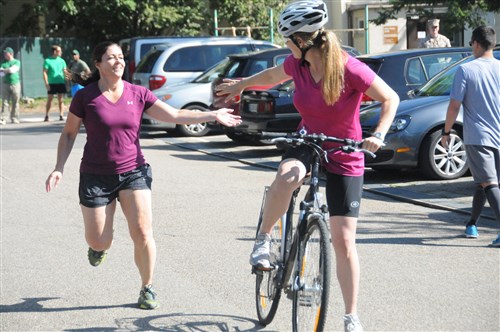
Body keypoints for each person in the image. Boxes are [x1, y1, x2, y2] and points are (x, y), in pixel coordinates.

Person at [216, 1, 399, 331]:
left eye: (287, 39)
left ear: (301, 42)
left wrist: (379, 135)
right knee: (288, 176)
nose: (286, 44)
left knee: (344, 241)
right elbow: (271, 76)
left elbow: (390, 98)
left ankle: (351, 315)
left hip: (346, 151)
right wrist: (241, 85)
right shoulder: (297, 65)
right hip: (309, 140)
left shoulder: (348, 68)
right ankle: (264, 239)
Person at [44, 41, 241, 310]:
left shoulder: (138, 93)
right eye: (110, 58)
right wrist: (59, 167)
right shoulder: (85, 97)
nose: (118, 61)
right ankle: (99, 247)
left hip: (133, 171)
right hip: (95, 175)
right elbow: (69, 134)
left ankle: (147, 287)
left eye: (120, 57)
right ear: (98, 64)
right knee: (99, 238)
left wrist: (211, 114)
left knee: (143, 232)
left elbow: (174, 114)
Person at [441, 25, 500, 246]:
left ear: (476, 43)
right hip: (496, 135)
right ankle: (472, 223)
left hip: (479, 137)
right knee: (483, 183)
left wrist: (446, 132)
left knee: (489, 183)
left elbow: (454, 106)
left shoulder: (466, 70)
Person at [43, 45, 67, 122]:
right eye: (59, 51)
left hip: (61, 82)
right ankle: (47, 115)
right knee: (50, 99)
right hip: (52, 83)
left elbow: (65, 72)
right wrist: (47, 83)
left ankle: (61, 115)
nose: (61, 52)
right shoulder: (47, 61)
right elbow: (44, 72)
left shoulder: (62, 61)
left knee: (61, 99)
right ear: (54, 51)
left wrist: (67, 82)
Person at [0, 47, 21, 125]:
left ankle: (14, 118)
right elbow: (1, 73)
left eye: (6, 53)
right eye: (4, 53)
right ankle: (3, 118)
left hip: (15, 83)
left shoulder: (17, 62)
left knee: (15, 101)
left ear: (11, 54)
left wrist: (5, 70)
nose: (5, 54)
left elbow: (13, 70)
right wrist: (7, 70)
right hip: (5, 84)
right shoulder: (3, 63)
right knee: (5, 102)